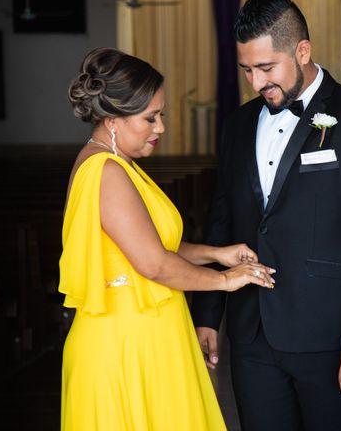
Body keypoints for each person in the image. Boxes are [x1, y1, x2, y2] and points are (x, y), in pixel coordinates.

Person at [191, 0, 341, 431]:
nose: (255, 82)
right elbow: (222, 220)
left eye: (266, 68)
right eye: (247, 70)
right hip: (251, 335)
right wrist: (208, 313)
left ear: (302, 50)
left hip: (333, 335)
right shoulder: (237, 125)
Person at [59, 47, 275, 431]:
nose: (161, 127)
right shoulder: (105, 172)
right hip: (125, 348)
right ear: (112, 120)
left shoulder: (117, 164)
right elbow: (153, 263)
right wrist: (225, 281)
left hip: (147, 337)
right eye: (150, 118)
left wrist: (218, 254)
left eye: (162, 115)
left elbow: (156, 245)